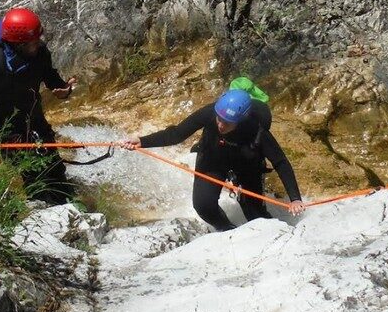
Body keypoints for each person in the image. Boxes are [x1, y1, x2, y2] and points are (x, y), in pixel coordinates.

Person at [121, 89, 305, 231]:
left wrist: (295, 199)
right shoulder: (211, 112)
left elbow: (281, 163)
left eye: (227, 122)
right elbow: (177, 134)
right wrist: (142, 141)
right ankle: (228, 231)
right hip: (213, 159)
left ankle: (279, 234)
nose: (220, 124)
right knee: (203, 205)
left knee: (255, 215)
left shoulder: (257, 132)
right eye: (219, 119)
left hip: (247, 166)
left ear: (241, 120)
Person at [0, 7, 77, 204]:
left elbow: (49, 75)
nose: (38, 44)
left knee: (54, 167)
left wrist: (63, 90)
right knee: (33, 172)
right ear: (18, 44)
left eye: (37, 39)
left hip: (34, 118)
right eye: (33, 42)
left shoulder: (40, 52)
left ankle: (67, 203)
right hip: (4, 128)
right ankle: (44, 212)